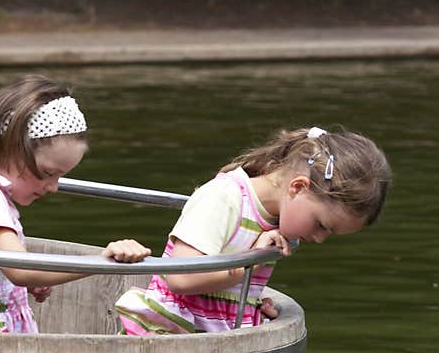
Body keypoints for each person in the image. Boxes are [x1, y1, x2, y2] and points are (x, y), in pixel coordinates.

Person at [0, 74, 151, 333]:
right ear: (5, 150)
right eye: (48, 173)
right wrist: (102, 261)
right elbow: (22, 270)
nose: (54, 186)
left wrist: (10, 286)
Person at [114, 126, 391, 335]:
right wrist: (250, 262)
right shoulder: (225, 198)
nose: (319, 239)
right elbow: (181, 278)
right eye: (321, 225)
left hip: (216, 339)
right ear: (298, 187)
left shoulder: (274, 219)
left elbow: (222, 292)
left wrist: (248, 306)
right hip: (169, 335)